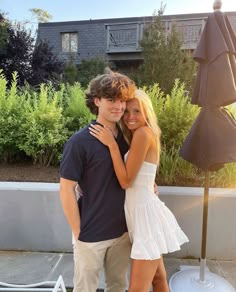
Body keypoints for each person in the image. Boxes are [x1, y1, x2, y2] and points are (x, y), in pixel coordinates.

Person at [89, 89, 189, 292]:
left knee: (137, 289)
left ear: (147, 113)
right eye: (127, 111)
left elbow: (125, 181)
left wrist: (111, 145)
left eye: (137, 111)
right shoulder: (139, 135)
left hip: (145, 219)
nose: (130, 117)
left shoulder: (143, 133)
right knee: (158, 280)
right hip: (142, 213)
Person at [59, 71, 136, 292]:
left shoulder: (127, 139)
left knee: (118, 286)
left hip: (122, 232)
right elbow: (66, 189)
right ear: (97, 101)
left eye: (122, 100)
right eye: (111, 100)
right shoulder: (79, 142)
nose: (118, 106)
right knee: (85, 288)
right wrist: (78, 232)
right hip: (90, 235)